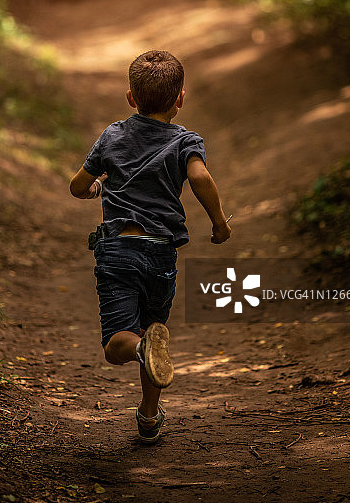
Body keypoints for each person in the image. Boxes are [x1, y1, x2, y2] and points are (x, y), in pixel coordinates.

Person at [69, 49, 232, 444]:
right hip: (161, 253)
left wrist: (94, 189)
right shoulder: (185, 141)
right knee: (154, 330)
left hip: (117, 250)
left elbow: (77, 185)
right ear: (180, 99)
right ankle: (147, 415)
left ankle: (140, 350)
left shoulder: (112, 136)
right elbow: (200, 177)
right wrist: (218, 222)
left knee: (119, 344)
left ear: (130, 98)